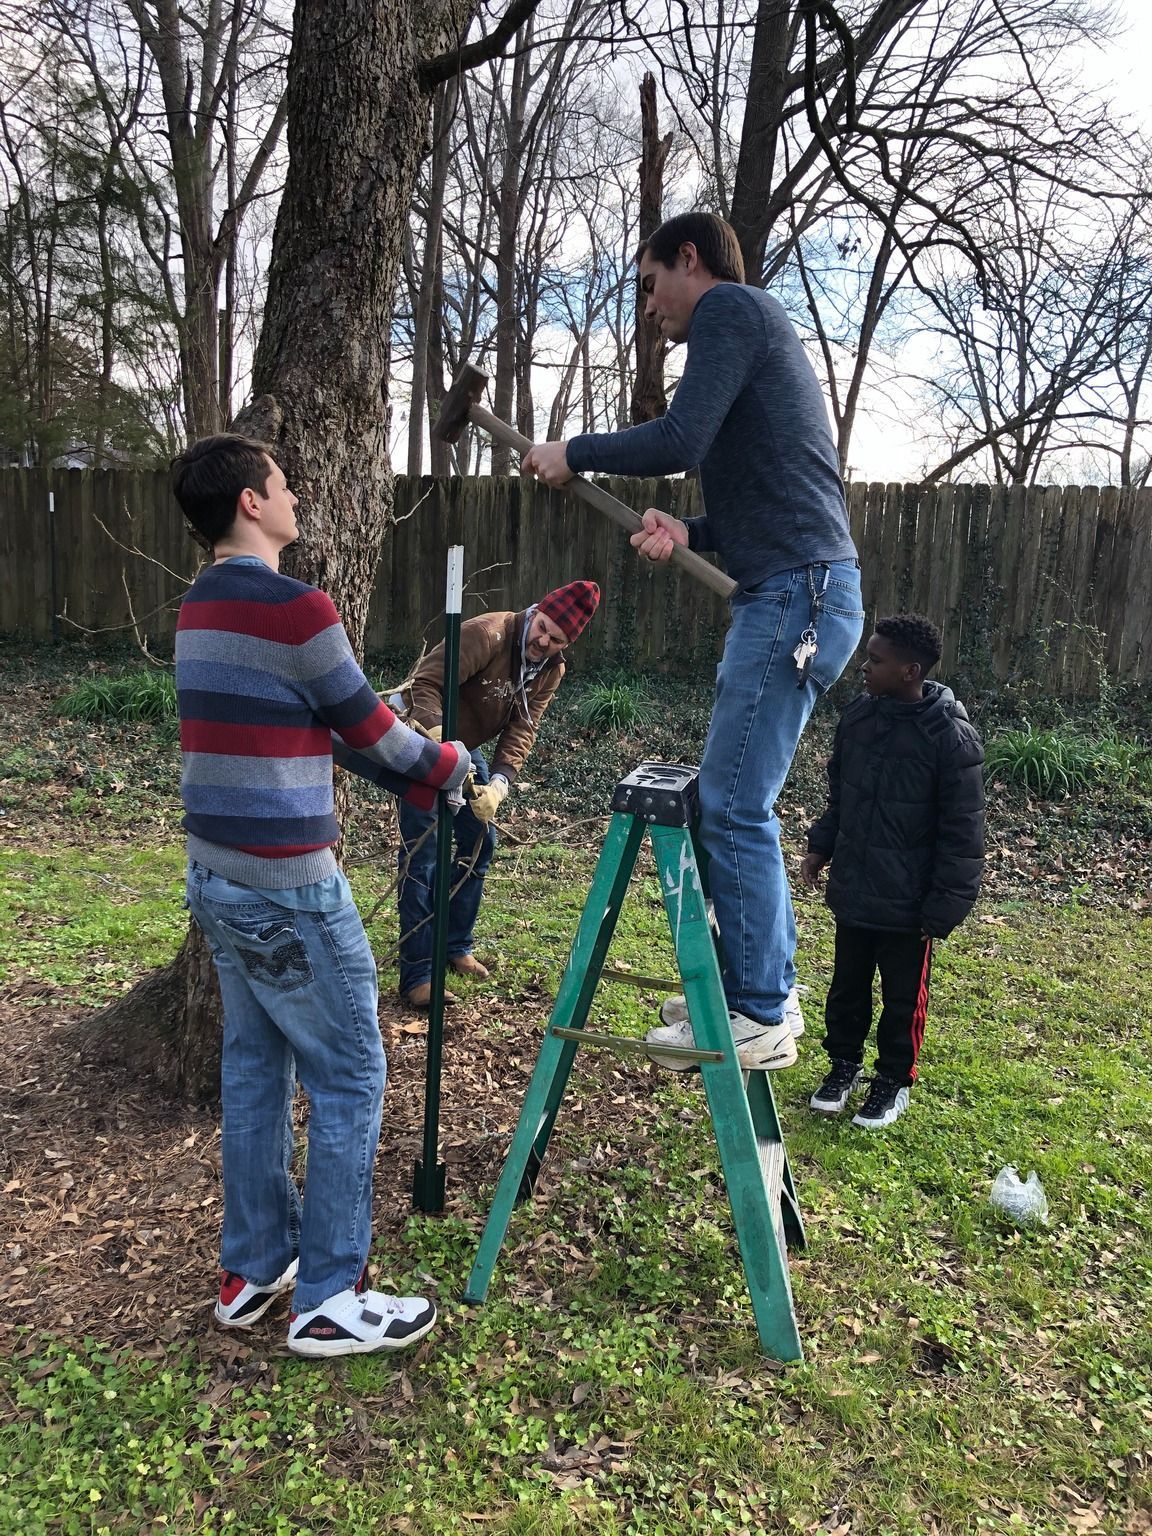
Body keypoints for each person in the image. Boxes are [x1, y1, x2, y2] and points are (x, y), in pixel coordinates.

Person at [521, 210, 863, 1071]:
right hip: (789, 586)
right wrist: (693, 530)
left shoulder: (732, 311)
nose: (648, 308)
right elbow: (768, 494)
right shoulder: (750, 329)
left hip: (797, 597)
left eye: (647, 285)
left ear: (689, 259)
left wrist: (575, 451)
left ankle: (756, 1012)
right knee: (735, 801)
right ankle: (759, 989)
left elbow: (680, 438)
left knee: (735, 806)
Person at [172, 432, 473, 1357]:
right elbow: (372, 733)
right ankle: (331, 1297)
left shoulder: (198, 608)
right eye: (285, 481)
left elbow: (315, 724)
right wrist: (448, 767)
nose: (295, 491)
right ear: (251, 503)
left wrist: (396, 757)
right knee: (351, 1072)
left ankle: (254, 1269)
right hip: (292, 890)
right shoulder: (299, 610)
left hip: (215, 876)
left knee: (256, 1063)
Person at [802, 614, 985, 1129]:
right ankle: (844, 1066)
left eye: (875, 660)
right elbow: (844, 795)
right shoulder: (860, 717)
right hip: (856, 888)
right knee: (847, 987)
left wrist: (946, 904)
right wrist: (822, 846)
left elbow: (963, 832)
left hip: (910, 905)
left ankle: (893, 1081)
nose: (864, 666)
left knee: (903, 998)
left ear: (910, 671)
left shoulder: (951, 738)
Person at [392, 581, 600, 1008]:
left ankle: (454, 945)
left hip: (466, 750)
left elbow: (523, 728)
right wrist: (438, 738)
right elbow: (422, 685)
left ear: (567, 642)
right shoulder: (488, 634)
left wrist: (500, 783)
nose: (544, 640)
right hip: (418, 740)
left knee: (479, 841)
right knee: (423, 853)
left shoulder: (551, 669)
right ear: (537, 610)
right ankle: (417, 975)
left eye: (556, 638)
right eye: (543, 627)